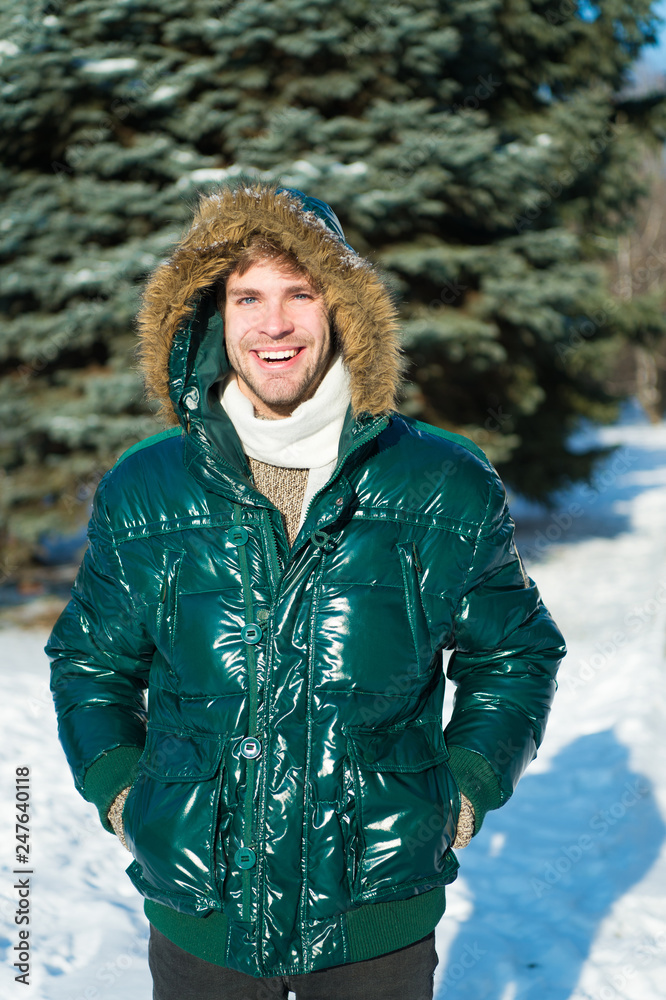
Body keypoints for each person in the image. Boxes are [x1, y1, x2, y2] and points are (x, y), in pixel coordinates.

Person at [47, 181, 566, 1000]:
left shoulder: (440, 482)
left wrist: (463, 790)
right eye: (247, 295)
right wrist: (123, 792)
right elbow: (90, 661)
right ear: (212, 314)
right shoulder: (148, 487)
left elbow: (514, 652)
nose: (274, 323)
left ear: (344, 311)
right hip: (200, 916)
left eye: (301, 293)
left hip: (376, 919)